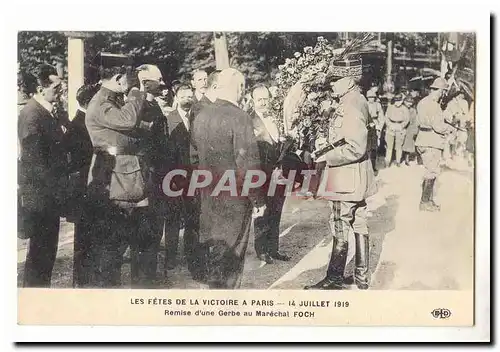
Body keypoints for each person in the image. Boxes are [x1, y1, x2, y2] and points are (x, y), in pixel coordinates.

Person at [85, 61, 162, 288]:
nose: (131, 86)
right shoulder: (101, 103)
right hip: (117, 184)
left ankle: (140, 292)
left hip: (130, 181)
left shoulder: (112, 99)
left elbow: (135, 127)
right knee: (113, 248)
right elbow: (128, 122)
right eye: (129, 81)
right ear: (119, 78)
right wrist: (138, 92)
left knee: (141, 244)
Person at [304, 59, 376, 290]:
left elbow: (355, 147)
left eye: (335, 81)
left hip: (345, 178)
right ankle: (361, 276)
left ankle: (334, 278)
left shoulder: (350, 105)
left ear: (348, 80)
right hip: (358, 177)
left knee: (340, 225)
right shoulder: (357, 100)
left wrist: (326, 156)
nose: (331, 85)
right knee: (359, 223)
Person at [192, 68, 266, 289]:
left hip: (208, 195)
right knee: (233, 254)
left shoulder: (201, 115)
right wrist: (258, 200)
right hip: (235, 199)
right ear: (240, 88)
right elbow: (248, 163)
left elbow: (194, 157)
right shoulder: (240, 117)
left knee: (215, 252)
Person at [18, 64, 66, 287]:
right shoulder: (32, 114)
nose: (61, 89)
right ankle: (33, 300)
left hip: (48, 195)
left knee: (46, 252)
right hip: (41, 197)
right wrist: (55, 189)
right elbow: (34, 161)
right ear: (40, 88)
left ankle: (39, 296)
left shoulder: (45, 111)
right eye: (56, 86)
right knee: (39, 255)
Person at [250, 84, 290, 264]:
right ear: (252, 100)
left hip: (279, 171)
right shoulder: (248, 121)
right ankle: (261, 250)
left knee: (277, 209)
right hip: (262, 173)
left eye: (266, 98)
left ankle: (274, 249)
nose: (263, 102)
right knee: (262, 211)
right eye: (259, 99)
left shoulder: (276, 118)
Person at [163, 84, 201, 275]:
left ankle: (191, 255)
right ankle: (170, 257)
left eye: (190, 96)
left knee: (193, 217)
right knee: (172, 218)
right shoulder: (168, 120)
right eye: (184, 96)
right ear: (176, 98)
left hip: (194, 177)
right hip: (174, 176)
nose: (188, 99)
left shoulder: (198, 118)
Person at [66, 83, 100, 287]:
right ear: (90, 102)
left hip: (88, 187)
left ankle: (87, 278)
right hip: (83, 189)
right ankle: (82, 281)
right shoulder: (79, 125)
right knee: (84, 237)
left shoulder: (82, 122)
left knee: (89, 235)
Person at [415, 77, 454, 212]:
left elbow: (421, 122)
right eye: (444, 92)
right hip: (432, 141)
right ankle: (425, 203)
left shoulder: (422, 102)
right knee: (431, 171)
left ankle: (428, 200)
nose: (444, 95)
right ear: (441, 91)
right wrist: (450, 129)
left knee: (428, 170)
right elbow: (438, 127)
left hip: (422, 139)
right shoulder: (434, 105)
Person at [384, 93, 410, 167]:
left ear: (402, 101)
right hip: (391, 127)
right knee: (389, 146)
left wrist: (401, 126)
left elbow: (407, 119)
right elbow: (386, 117)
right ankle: (387, 162)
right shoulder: (390, 107)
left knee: (399, 146)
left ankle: (398, 161)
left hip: (400, 127)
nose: (397, 103)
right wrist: (389, 125)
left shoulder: (405, 109)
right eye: (396, 101)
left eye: (399, 101)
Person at [366, 90, 385, 173]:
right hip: (366, 126)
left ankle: (373, 166)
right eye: (370, 97)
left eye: (373, 97)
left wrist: (379, 127)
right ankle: (367, 166)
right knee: (367, 147)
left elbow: (381, 117)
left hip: (375, 124)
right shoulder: (364, 104)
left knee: (375, 147)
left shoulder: (378, 105)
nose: (371, 99)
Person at [402, 95, 419, 166]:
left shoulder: (413, 110)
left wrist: (415, 130)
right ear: (404, 102)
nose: (409, 104)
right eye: (407, 102)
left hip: (410, 129)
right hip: (402, 128)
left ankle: (406, 159)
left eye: (410, 102)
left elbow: (415, 121)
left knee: (408, 144)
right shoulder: (402, 109)